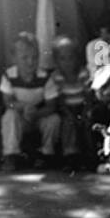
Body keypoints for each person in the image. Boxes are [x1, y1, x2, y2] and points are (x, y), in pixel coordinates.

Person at [0, 32, 58, 170]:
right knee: (9, 115)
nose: (30, 62)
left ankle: (46, 154)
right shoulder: (9, 75)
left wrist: (36, 113)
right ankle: (11, 155)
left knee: (54, 120)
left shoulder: (45, 77)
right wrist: (22, 107)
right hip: (20, 116)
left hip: (38, 116)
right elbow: (7, 101)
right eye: (24, 58)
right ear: (14, 58)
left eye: (34, 57)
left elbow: (52, 106)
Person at [44, 35, 94, 170]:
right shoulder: (56, 77)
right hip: (65, 109)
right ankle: (70, 156)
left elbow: (88, 95)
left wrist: (85, 111)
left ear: (76, 58)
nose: (67, 62)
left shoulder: (82, 73)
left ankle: (90, 156)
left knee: (87, 122)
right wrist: (68, 113)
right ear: (56, 61)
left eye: (71, 58)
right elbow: (59, 100)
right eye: (62, 59)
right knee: (69, 123)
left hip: (82, 107)